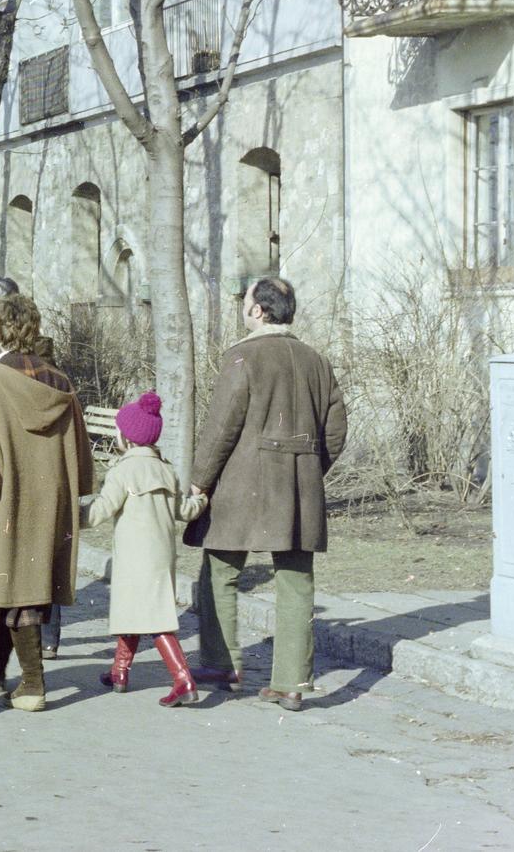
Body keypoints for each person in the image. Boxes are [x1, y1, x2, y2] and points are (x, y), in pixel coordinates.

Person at [186, 277, 347, 712]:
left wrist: (200, 481)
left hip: (241, 486)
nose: (244, 307)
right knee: (296, 582)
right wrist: (308, 469)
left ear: (259, 311)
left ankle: (220, 663)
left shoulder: (242, 356)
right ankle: (292, 682)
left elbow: (223, 427)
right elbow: (336, 431)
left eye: (245, 301)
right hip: (298, 490)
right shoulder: (317, 361)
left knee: (219, 569)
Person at [0, 293, 93, 712]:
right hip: (50, 497)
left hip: (5, 496)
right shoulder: (60, 382)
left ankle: (33, 684)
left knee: (10, 580)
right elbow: (83, 454)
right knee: (22, 582)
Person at [80, 391, 208, 707]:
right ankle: (119, 672)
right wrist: (201, 500)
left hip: (133, 557)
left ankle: (183, 680)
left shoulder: (122, 471)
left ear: (127, 439)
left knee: (153, 620)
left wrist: (69, 514)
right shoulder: (167, 470)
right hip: (161, 556)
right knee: (137, 611)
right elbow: (184, 510)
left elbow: (98, 512)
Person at [0, 275, 64, 658]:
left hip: (4, 479)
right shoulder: (56, 374)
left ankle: (19, 669)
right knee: (43, 561)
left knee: (5, 569)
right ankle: (38, 645)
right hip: (47, 480)